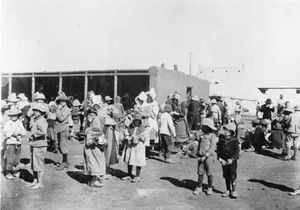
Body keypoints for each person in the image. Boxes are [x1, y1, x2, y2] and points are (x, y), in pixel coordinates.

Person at [193, 118, 218, 196]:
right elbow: (199, 145)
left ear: (207, 127)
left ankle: (210, 187)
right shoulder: (201, 136)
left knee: (209, 172)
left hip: (208, 157)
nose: (202, 128)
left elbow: (212, 147)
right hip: (201, 156)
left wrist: (206, 155)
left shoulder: (212, 136)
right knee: (200, 172)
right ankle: (199, 187)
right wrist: (197, 153)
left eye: (203, 127)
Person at [26, 103, 48, 189]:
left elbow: (43, 131)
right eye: (34, 110)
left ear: (41, 112)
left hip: (40, 145)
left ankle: (40, 182)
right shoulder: (35, 119)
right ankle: (35, 180)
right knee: (34, 163)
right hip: (35, 144)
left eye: (37, 111)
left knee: (39, 164)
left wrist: (34, 135)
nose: (35, 112)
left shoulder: (42, 120)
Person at [83, 108, 107, 187]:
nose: (92, 117)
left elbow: (103, 138)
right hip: (91, 149)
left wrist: (103, 142)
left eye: (94, 115)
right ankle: (93, 180)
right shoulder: (88, 129)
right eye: (90, 115)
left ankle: (96, 177)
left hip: (98, 149)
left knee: (99, 162)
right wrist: (93, 141)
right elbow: (88, 142)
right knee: (93, 163)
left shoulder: (98, 129)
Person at [122, 113, 147, 182]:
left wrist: (140, 138)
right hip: (130, 145)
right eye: (136, 120)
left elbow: (145, 137)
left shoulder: (142, 128)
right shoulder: (130, 127)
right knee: (130, 159)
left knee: (138, 160)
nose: (137, 122)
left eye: (138, 121)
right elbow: (126, 133)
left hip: (139, 146)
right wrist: (128, 137)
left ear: (140, 121)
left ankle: (137, 176)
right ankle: (129, 174)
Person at [217, 123, 240, 198]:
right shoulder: (221, 139)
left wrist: (232, 159)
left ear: (231, 132)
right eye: (225, 130)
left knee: (232, 175)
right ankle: (228, 190)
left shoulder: (234, 140)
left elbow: (237, 151)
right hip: (224, 161)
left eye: (227, 130)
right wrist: (220, 159)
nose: (225, 131)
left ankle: (234, 190)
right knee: (226, 175)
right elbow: (218, 151)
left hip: (232, 161)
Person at [2, 108, 26, 179]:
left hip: (18, 142)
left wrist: (20, 133)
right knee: (10, 157)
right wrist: (13, 133)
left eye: (15, 115)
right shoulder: (8, 123)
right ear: (10, 116)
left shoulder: (19, 122)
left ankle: (15, 170)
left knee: (17, 157)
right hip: (11, 142)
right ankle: (8, 171)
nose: (14, 117)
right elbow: (5, 132)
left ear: (18, 115)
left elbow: (23, 131)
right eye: (12, 115)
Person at [55, 94, 71, 170]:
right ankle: (65, 161)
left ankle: (64, 162)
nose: (62, 102)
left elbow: (61, 118)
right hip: (60, 129)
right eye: (60, 101)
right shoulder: (62, 109)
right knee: (61, 146)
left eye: (63, 101)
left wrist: (57, 110)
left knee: (63, 146)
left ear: (66, 102)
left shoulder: (66, 109)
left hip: (64, 129)